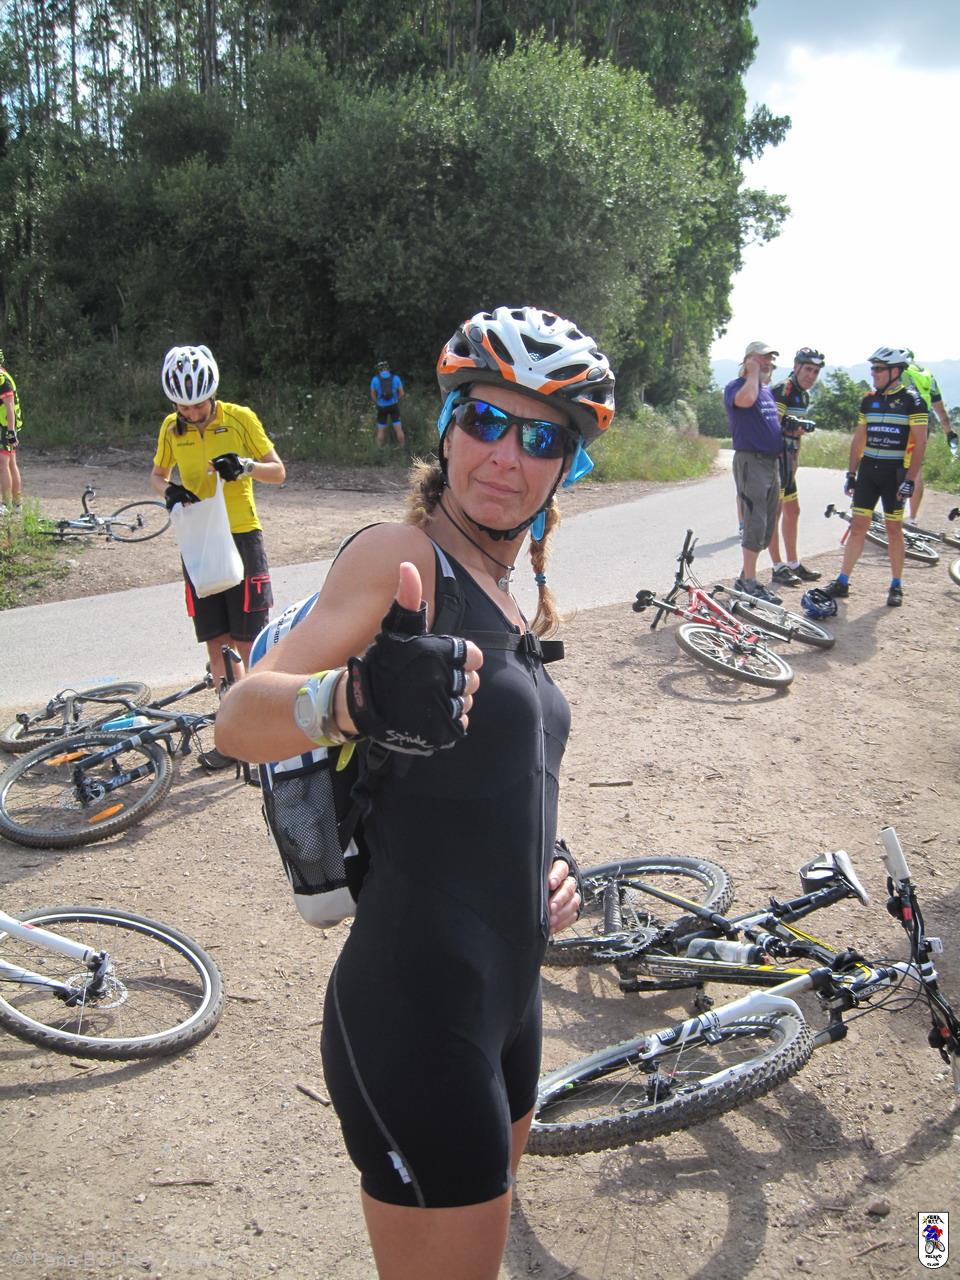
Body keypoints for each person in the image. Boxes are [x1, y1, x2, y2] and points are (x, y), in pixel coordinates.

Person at [214, 305, 614, 1280]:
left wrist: (551, 861)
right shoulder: (403, 560)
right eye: (486, 419)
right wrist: (348, 700)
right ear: (446, 426)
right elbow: (237, 719)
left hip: (509, 1001)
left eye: (541, 438)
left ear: (568, 466)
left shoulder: (507, 590)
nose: (506, 455)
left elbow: (498, 775)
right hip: (415, 1012)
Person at [150, 344, 286, 685]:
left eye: (199, 405)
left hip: (241, 534)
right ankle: (229, 707)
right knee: (218, 643)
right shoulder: (171, 428)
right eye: (184, 407)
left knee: (249, 640)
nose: (193, 413)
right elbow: (157, 475)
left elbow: (278, 472)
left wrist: (245, 466)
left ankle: (259, 702)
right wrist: (170, 491)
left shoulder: (240, 418)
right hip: (200, 539)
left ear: (212, 395)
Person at [823, 347, 927, 608]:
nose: (873, 373)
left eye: (879, 369)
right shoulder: (869, 400)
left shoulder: (912, 401)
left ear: (895, 371)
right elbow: (859, 438)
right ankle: (842, 581)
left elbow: (921, 442)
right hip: (869, 470)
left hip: (894, 472)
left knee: (894, 529)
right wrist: (851, 473)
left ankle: (896, 584)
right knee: (858, 526)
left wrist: (910, 479)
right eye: (872, 368)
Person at [723, 340, 784, 603]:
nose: (768, 363)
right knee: (755, 520)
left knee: (768, 523)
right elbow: (746, 401)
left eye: (770, 359)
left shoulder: (766, 390)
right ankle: (748, 583)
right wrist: (753, 373)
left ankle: (745, 576)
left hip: (771, 462)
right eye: (762, 358)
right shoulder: (737, 387)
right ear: (749, 360)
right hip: (751, 461)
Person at [768, 346, 825, 587]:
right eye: (807, 369)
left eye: (815, 372)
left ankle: (793, 563)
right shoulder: (784, 389)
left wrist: (796, 461)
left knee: (793, 511)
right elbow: (772, 426)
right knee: (775, 513)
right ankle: (777, 566)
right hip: (775, 459)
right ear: (796, 366)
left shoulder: (804, 395)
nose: (811, 375)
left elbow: (796, 433)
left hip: (789, 461)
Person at [900, 348, 958, 522]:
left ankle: (894, 514)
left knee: (893, 466)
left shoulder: (900, 371)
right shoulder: (927, 375)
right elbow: (940, 410)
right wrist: (949, 433)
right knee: (916, 472)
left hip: (902, 423)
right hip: (922, 424)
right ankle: (912, 518)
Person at [0, 348, 23, 516]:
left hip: (5, 426)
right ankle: (16, 504)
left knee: (3, 464)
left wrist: (10, 432)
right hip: (6, 425)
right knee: (10, 463)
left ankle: (7, 504)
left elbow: (9, 406)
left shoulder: (1, 378)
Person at [370, 359, 406, 448]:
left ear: (379, 369)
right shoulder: (396, 378)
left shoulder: (375, 379)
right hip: (393, 406)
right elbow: (402, 393)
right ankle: (402, 448)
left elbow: (373, 395)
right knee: (398, 429)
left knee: (381, 430)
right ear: (388, 368)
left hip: (382, 407)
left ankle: (379, 449)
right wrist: (396, 399)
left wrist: (377, 402)